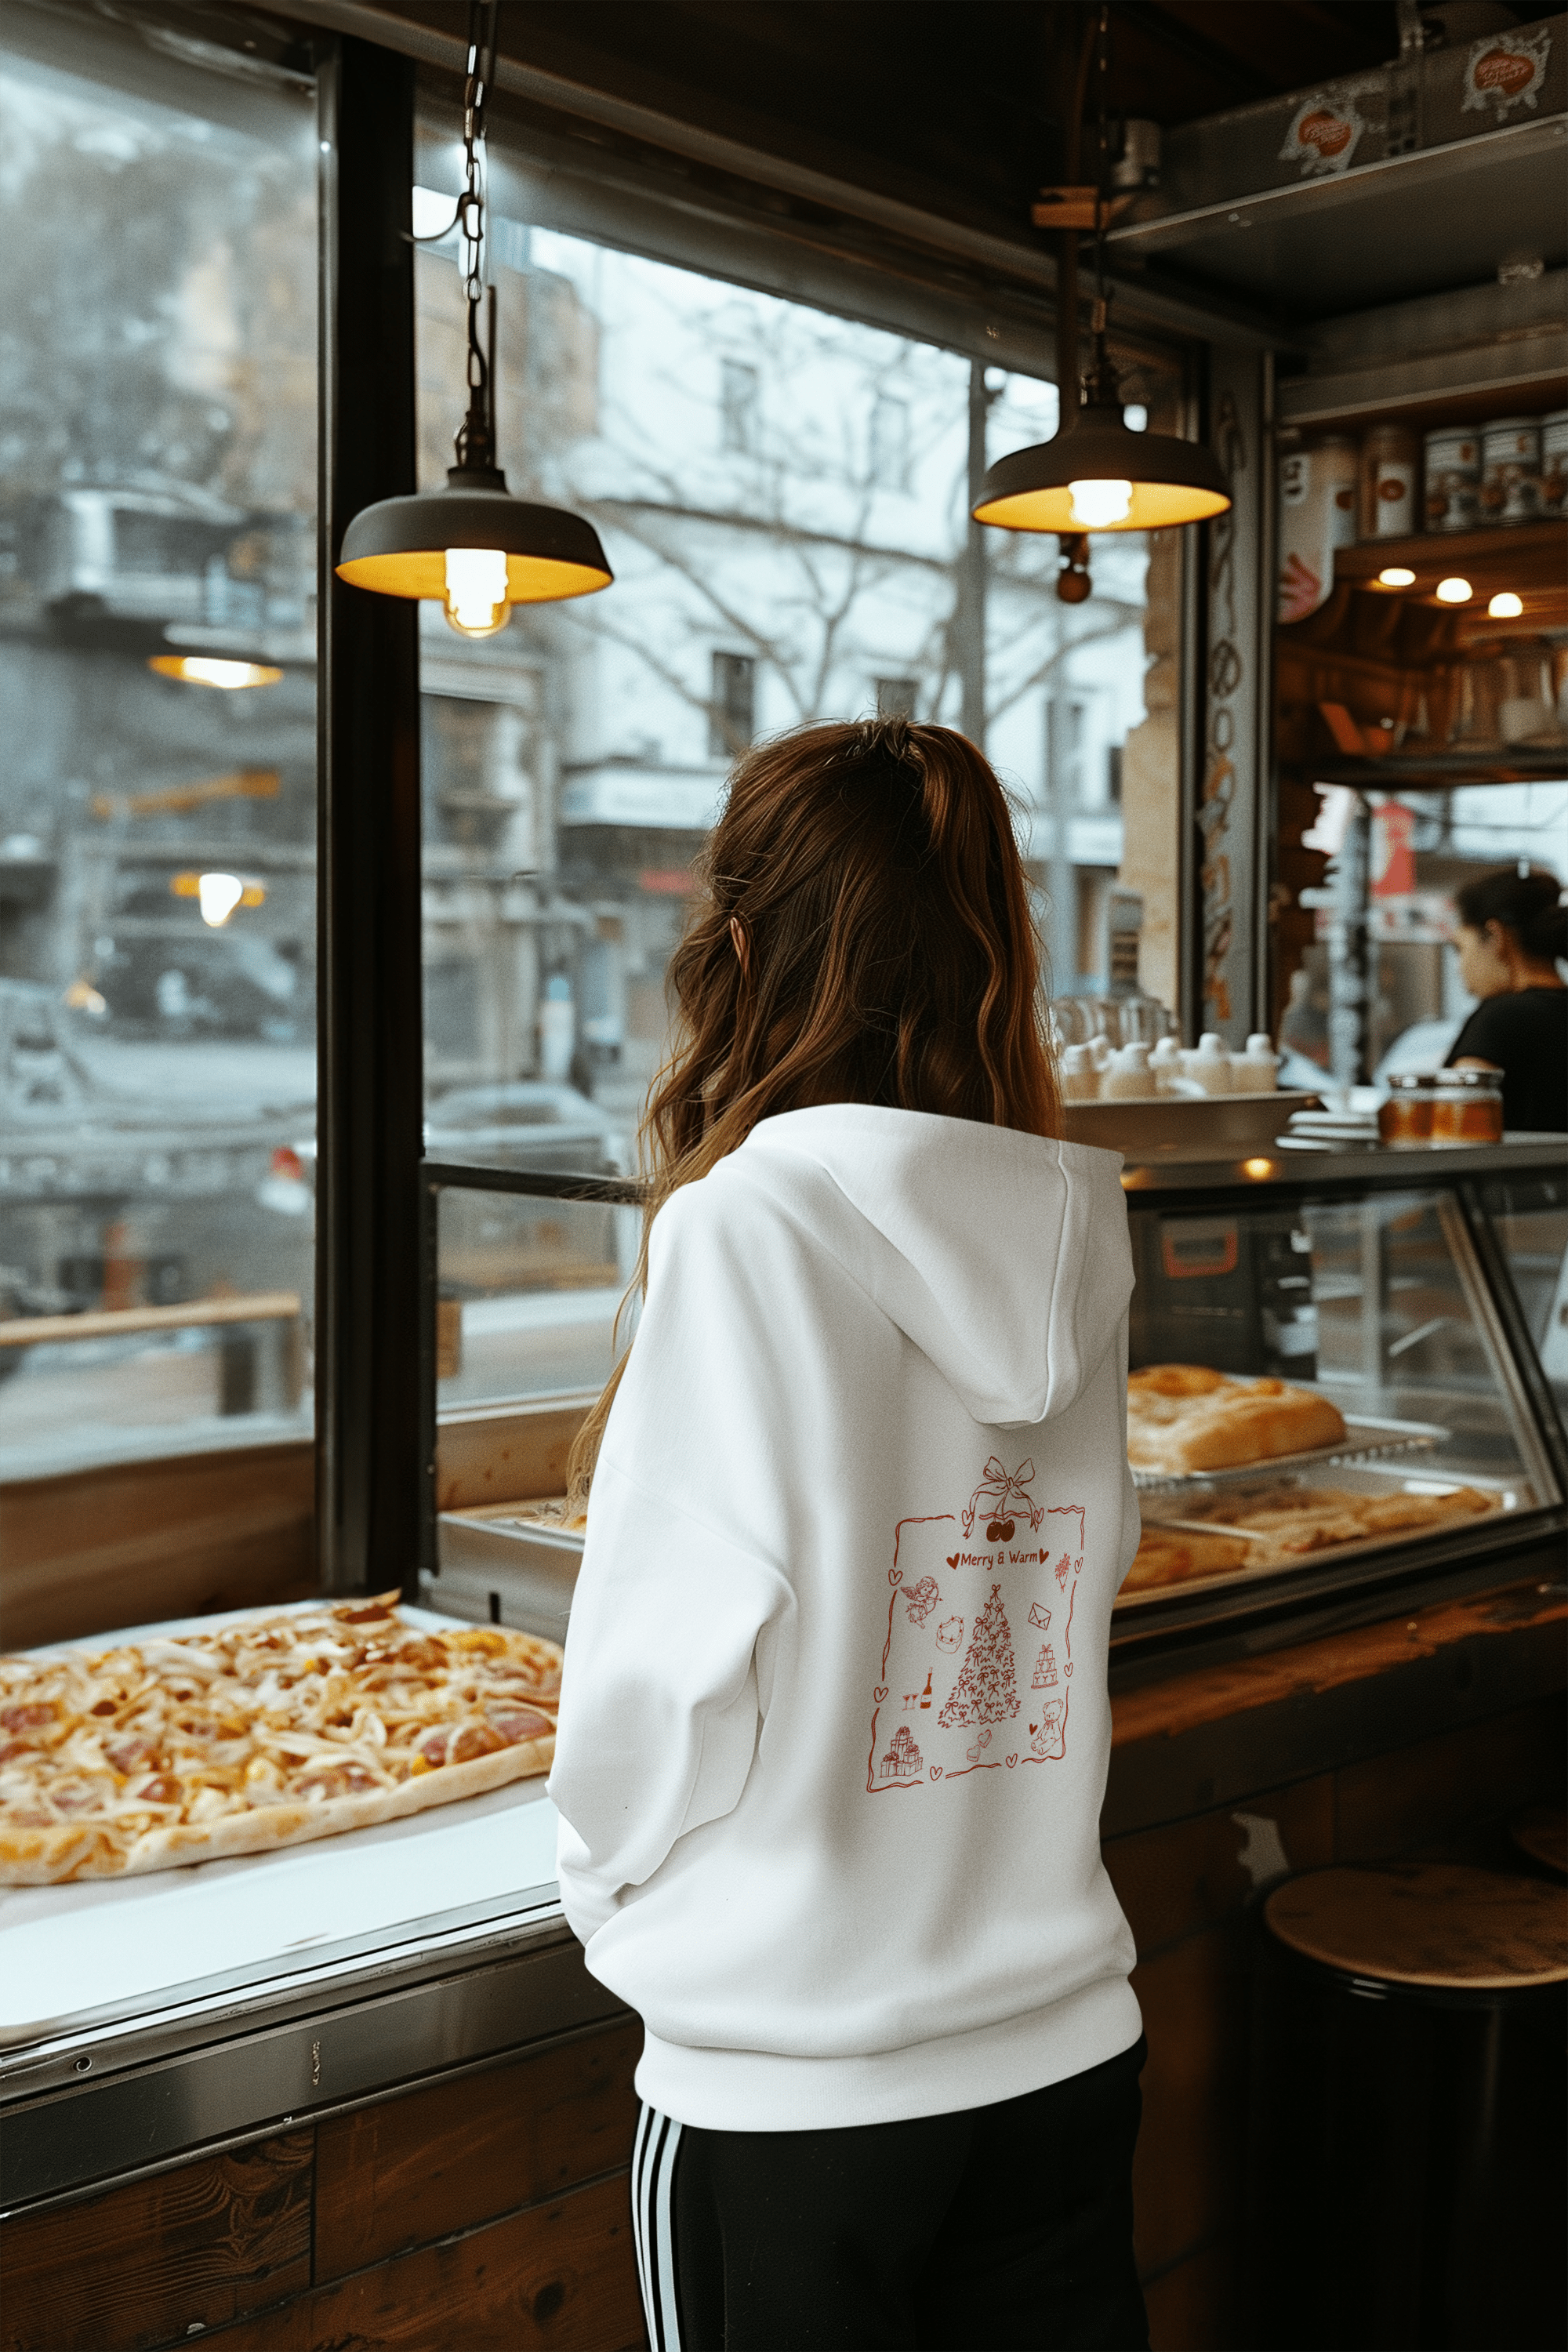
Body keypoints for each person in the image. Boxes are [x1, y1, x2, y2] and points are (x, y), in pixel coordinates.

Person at [549, 719, 1148, 2352]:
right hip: (1059, 2050)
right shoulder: (1074, 1226)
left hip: (797, 2077)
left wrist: (616, 1900)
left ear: (737, 945)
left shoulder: (748, 1220)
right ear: (992, 953)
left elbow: (665, 1670)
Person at [1448, 866, 1568, 1132]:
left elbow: (1454, 1127)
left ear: (1495, 936)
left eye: (1460, 949)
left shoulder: (1499, 1019)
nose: (1460, 968)